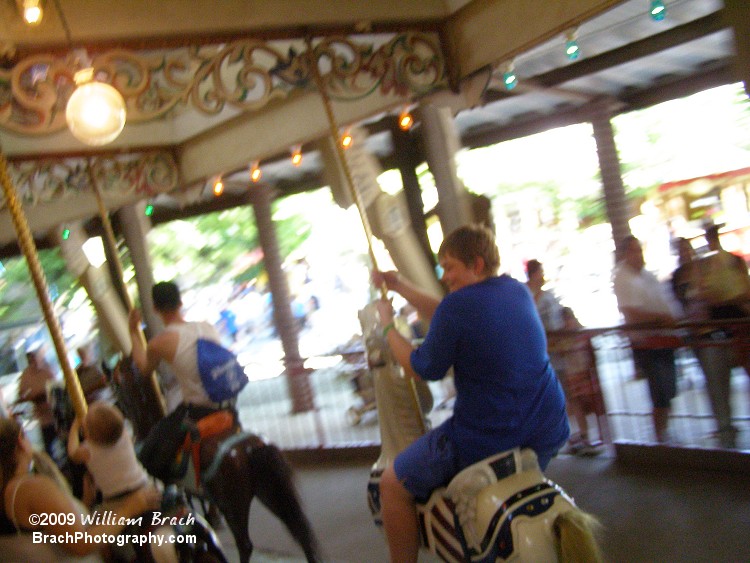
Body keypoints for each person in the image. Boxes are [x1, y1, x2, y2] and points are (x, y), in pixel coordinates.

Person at [373, 224, 569, 563]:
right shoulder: (516, 291)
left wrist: (388, 327)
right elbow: (447, 311)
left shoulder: (458, 307)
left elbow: (422, 367)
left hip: (489, 436)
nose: (445, 276)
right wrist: (400, 285)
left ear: (476, 264)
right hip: (547, 427)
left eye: (450, 267)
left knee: (391, 483)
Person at [0, 417, 160, 560]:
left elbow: (59, 529)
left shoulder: (12, 491)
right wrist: (131, 507)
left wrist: (84, 503)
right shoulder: (30, 489)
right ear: (20, 442)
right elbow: (82, 544)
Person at [128, 281, 235, 483]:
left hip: (198, 411)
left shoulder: (160, 342)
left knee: (149, 456)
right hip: (228, 404)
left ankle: (169, 499)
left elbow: (143, 369)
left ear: (155, 308)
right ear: (180, 302)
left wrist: (133, 331)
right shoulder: (207, 327)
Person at [613, 235, 679, 443]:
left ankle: (664, 431)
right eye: (633, 250)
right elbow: (631, 313)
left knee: (667, 387)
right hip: (648, 342)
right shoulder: (623, 278)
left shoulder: (645, 275)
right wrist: (660, 318)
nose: (638, 254)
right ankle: (661, 434)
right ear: (625, 254)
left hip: (662, 338)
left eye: (638, 249)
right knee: (660, 389)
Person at [67, 402, 150, 509]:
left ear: (88, 435)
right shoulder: (125, 435)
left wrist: (74, 427)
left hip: (115, 500)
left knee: (97, 520)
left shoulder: (88, 451)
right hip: (142, 485)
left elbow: (72, 453)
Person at [552, 307, 605, 456]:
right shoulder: (566, 336)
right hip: (574, 374)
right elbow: (561, 351)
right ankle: (585, 435)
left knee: (589, 404)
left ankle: (595, 435)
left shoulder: (580, 335)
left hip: (583, 373)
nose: (568, 322)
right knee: (578, 404)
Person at [15, 347, 56, 459]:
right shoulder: (26, 375)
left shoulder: (48, 370)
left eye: (35, 358)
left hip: (55, 412)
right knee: (49, 446)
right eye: (31, 359)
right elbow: (21, 394)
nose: (33, 361)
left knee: (63, 441)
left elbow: (56, 387)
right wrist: (32, 397)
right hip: (43, 417)